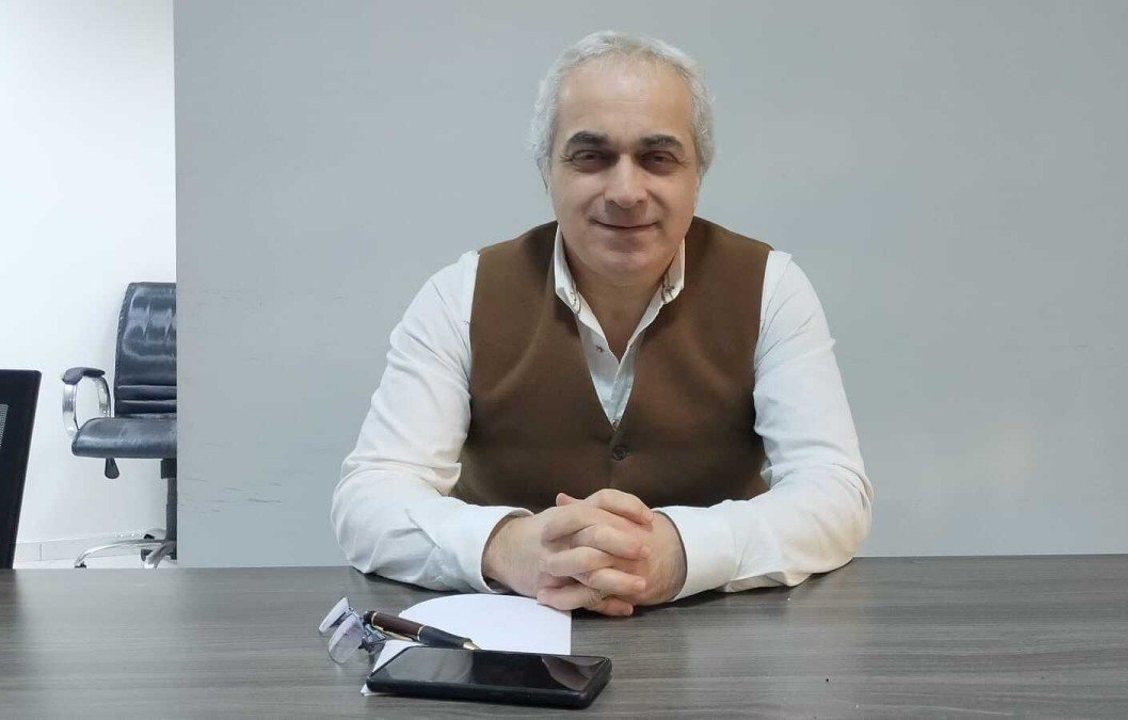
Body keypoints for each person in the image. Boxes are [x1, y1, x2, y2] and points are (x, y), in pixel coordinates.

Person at [332, 31, 872, 616]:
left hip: (723, 644)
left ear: (698, 174)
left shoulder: (772, 289)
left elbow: (835, 492)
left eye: (658, 158)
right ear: (547, 170)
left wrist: (680, 553)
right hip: (504, 645)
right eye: (591, 157)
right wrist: (507, 547)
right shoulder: (457, 296)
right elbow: (370, 499)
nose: (626, 192)